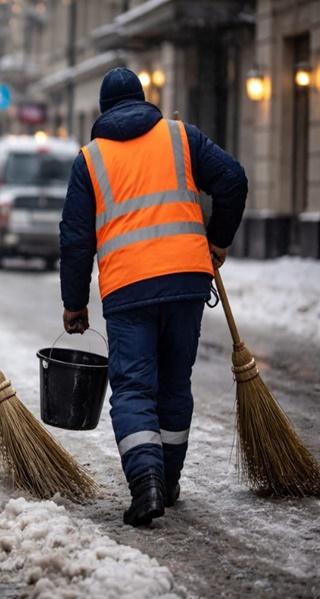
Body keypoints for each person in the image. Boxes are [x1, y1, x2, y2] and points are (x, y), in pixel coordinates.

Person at [59, 67, 247, 526]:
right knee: (173, 384)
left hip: (128, 289)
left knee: (134, 388)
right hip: (185, 280)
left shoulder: (91, 159)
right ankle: (169, 478)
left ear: (103, 111)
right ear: (143, 99)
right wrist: (218, 240)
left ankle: (146, 484)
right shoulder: (182, 138)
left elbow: (76, 238)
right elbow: (234, 180)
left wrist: (74, 303)